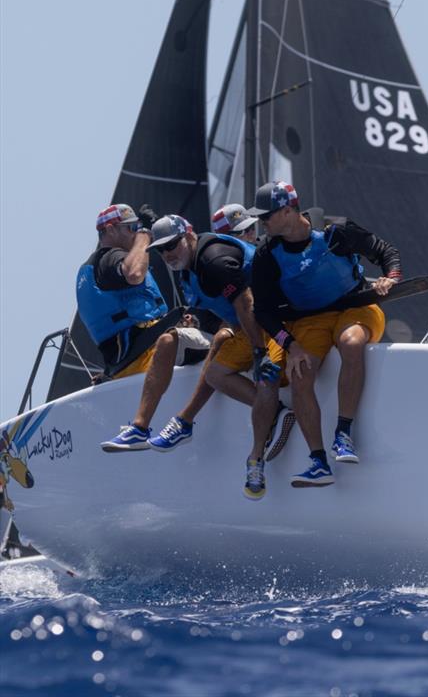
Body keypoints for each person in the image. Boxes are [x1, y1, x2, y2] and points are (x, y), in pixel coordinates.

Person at [247, 181, 401, 487]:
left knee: (351, 342)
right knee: (301, 375)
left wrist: (390, 278)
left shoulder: (336, 231)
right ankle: (318, 462)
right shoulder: (267, 255)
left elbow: (385, 251)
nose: (262, 222)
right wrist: (290, 346)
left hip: (354, 307)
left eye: (267, 216)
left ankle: (343, 434)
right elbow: (262, 312)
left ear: (289, 210)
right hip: (310, 320)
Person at [144, 215, 286, 499]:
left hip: (279, 319)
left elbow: (246, 302)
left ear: (189, 235)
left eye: (172, 244)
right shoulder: (188, 268)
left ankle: (255, 459)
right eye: (161, 249)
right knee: (215, 374)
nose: (168, 253)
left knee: (266, 377)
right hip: (250, 324)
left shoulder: (213, 261)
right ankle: (277, 413)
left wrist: (259, 353)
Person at [78, 204, 212, 452]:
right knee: (231, 340)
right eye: (131, 228)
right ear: (110, 230)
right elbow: (135, 273)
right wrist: (145, 235)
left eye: (136, 228)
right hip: (149, 357)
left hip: (129, 364)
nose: (135, 232)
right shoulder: (110, 259)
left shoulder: (94, 269)